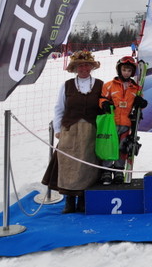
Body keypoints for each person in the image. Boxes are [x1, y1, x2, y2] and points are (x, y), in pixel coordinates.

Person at [41, 51, 104, 214]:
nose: (84, 68)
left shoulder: (100, 85)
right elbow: (59, 108)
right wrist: (58, 129)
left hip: (91, 131)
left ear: (91, 67)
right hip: (70, 130)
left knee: (87, 165)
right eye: (80, 65)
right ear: (75, 68)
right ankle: (69, 201)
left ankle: (83, 200)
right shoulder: (67, 85)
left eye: (87, 65)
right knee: (68, 164)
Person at [97, 56, 148, 185]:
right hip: (111, 123)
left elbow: (140, 103)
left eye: (129, 71)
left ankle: (119, 170)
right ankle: (107, 170)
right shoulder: (110, 85)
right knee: (109, 146)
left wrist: (142, 103)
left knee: (123, 148)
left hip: (126, 123)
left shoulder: (135, 88)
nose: (126, 73)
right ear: (119, 70)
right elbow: (102, 98)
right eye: (124, 70)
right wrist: (104, 103)